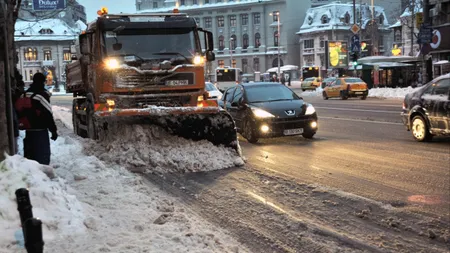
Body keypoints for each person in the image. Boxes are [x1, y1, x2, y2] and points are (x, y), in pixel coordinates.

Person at [23, 73, 58, 165]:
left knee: (30, 157)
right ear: (43, 82)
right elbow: (48, 114)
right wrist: (53, 131)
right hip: (40, 130)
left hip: (28, 129)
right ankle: (42, 176)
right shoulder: (42, 95)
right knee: (42, 159)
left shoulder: (26, 93)